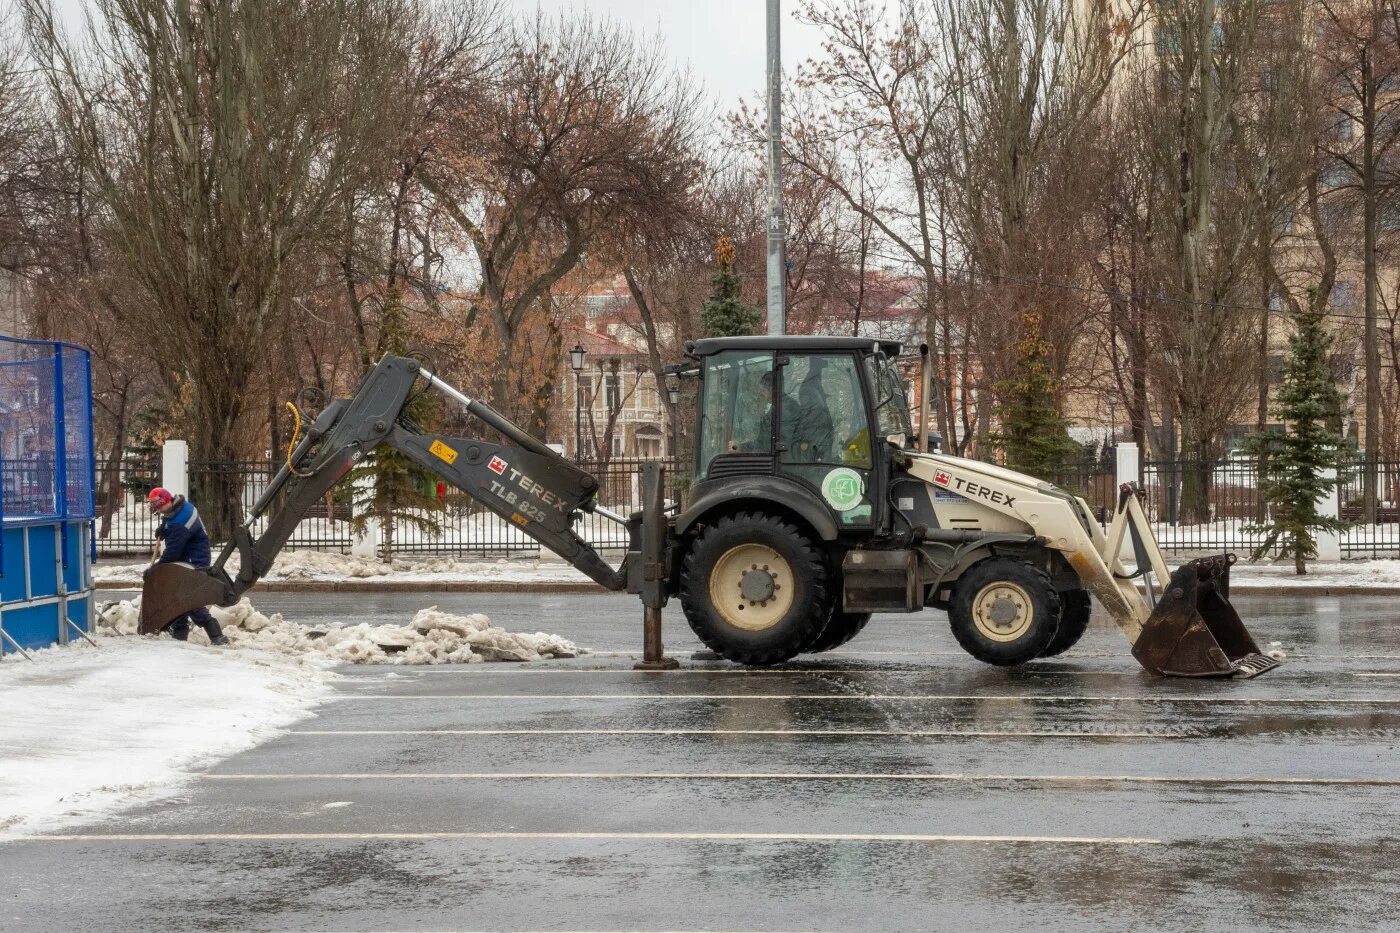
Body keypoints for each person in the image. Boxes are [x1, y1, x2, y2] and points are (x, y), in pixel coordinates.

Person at [147, 487, 229, 645]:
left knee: (189, 597)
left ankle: (216, 636)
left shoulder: (180, 522)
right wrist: (165, 528)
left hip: (194, 559)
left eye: (159, 506)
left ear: (167, 501)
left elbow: (173, 552)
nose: (158, 510)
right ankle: (179, 634)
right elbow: (170, 521)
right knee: (178, 595)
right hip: (187, 556)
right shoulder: (182, 506)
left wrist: (155, 569)